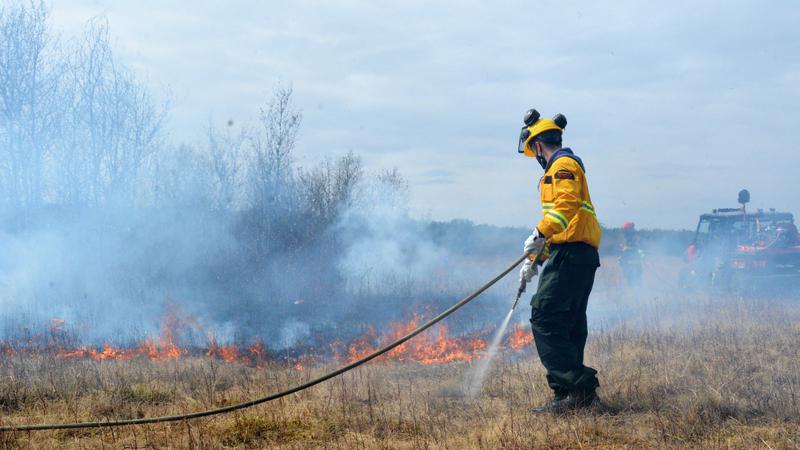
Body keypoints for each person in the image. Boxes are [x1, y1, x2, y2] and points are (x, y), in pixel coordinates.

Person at [517, 109, 602, 412]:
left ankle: (579, 386)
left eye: (534, 151)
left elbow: (564, 208)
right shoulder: (565, 166)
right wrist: (535, 259)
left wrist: (539, 231)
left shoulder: (562, 165)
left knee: (544, 317)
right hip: (574, 253)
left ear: (538, 145)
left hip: (571, 254)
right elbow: (565, 222)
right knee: (569, 323)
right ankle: (570, 397)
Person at [619, 221, 644, 286]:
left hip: (635, 258)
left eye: (627, 229)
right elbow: (622, 247)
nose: (625, 230)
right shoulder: (624, 237)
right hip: (627, 259)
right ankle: (632, 285)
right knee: (629, 274)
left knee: (636, 274)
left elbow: (639, 246)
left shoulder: (635, 237)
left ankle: (637, 285)